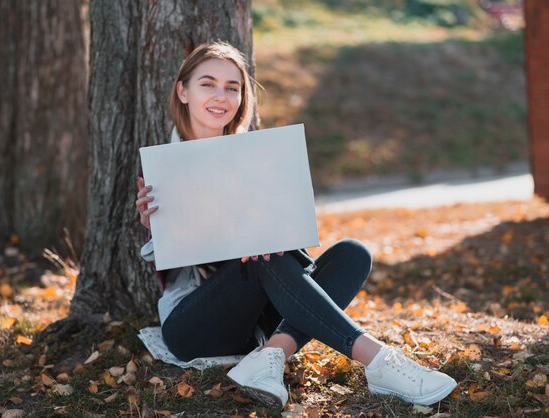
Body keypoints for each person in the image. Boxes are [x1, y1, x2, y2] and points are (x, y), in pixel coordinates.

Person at [135, 41, 456, 409]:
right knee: (256, 257)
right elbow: (179, 269)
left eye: (232, 87)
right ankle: (379, 360)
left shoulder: (259, 157)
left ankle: (270, 356)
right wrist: (156, 228)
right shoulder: (163, 168)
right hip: (198, 324)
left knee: (352, 253)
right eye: (207, 84)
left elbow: (291, 253)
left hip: (264, 312)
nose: (220, 96)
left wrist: (276, 232)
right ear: (183, 91)